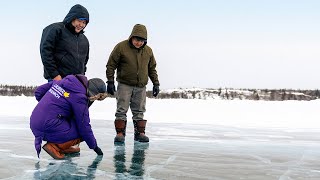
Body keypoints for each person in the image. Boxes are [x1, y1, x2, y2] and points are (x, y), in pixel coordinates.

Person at [30, 74, 107, 159]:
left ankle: (64, 147)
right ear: (94, 93)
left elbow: (38, 92)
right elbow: (84, 126)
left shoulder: (62, 81)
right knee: (81, 132)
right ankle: (55, 147)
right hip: (48, 126)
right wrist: (95, 147)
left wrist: (49, 107)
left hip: (34, 121)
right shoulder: (80, 97)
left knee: (73, 121)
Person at [106, 24, 160, 143]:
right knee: (121, 109)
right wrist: (110, 81)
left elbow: (152, 68)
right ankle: (120, 133)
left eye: (141, 41)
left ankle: (140, 133)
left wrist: (156, 83)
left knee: (139, 111)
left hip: (141, 86)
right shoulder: (121, 47)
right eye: (137, 39)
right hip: (124, 84)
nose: (138, 43)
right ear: (132, 37)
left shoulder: (148, 51)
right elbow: (111, 65)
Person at [40, 4, 90, 81]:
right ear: (72, 18)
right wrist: (55, 75)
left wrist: (81, 76)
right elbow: (46, 52)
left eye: (84, 22)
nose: (81, 25)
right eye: (79, 21)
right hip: (58, 79)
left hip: (75, 81)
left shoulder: (84, 39)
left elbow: (85, 61)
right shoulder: (56, 29)